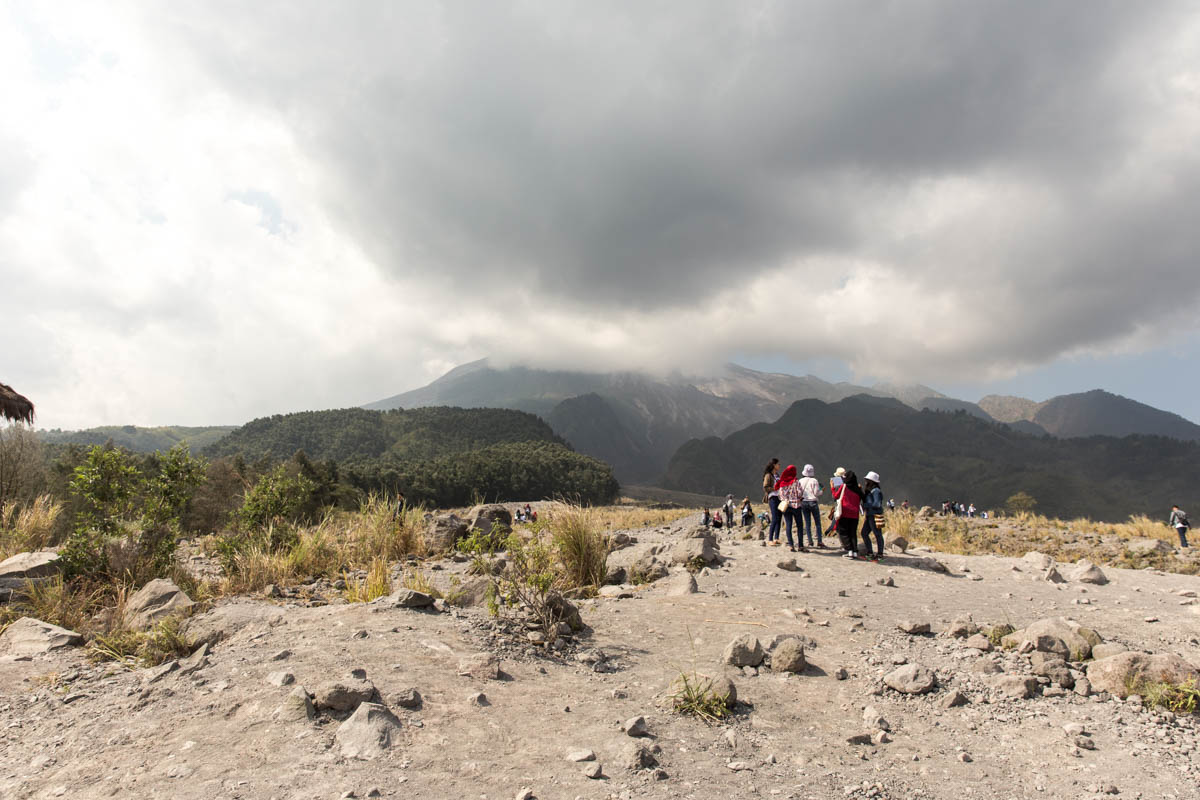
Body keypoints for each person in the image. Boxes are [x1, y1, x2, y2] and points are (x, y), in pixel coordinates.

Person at [833, 469, 863, 558]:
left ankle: (849, 550)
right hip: (855, 514)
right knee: (852, 532)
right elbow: (862, 498)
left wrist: (832, 487)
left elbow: (835, 496)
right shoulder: (858, 488)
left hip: (845, 512)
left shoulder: (844, 486)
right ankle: (854, 551)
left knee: (843, 531)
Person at [776, 464, 806, 552]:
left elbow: (780, 496)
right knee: (799, 526)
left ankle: (791, 545)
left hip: (787, 507)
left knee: (788, 525)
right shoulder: (796, 482)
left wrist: (786, 499)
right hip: (796, 506)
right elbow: (800, 493)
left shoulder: (782, 483)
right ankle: (800, 545)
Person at [859, 470, 885, 562]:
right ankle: (870, 553)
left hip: (874, 515)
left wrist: (865, 506)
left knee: (877, 534)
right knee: (864, 533)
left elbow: (877, 504)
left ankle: (880, 555)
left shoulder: (876, 491)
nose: (866, 481)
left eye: (867, 480)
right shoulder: (871, 491)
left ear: (871, 481)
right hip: (870, 515)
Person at [798, 464, 824, 548]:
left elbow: (799, 492)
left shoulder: (800, 481)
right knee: (817, 523)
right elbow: (816, 493)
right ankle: (819, 541)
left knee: (807, 523)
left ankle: (810, 541)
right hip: (813, 502)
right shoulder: (814, 480)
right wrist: (821, 490)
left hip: (804, 502)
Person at [762, 459, 782, 546]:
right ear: (774, 465)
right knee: (774, 517)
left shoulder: (777, 475)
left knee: (779, 517)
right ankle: (770, 539)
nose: (779, 465)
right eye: (778, 464)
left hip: (780, 497)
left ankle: (776, 538)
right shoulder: (768, 475)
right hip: (773, 497)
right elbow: (765, 487)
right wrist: (775, 489)